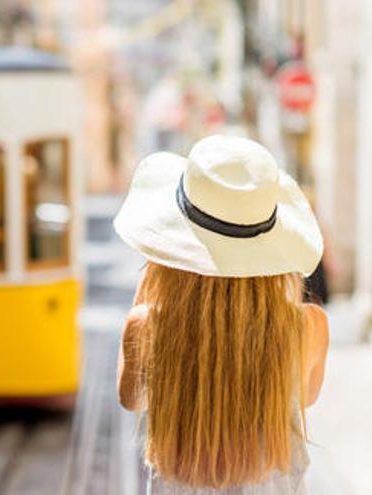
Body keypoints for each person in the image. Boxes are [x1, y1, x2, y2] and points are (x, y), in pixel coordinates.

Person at [113, 135, 330, 494]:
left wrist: (153, 275)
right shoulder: (308, 327)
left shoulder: (147, 326)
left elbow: (131, 399)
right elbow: (302, 397)